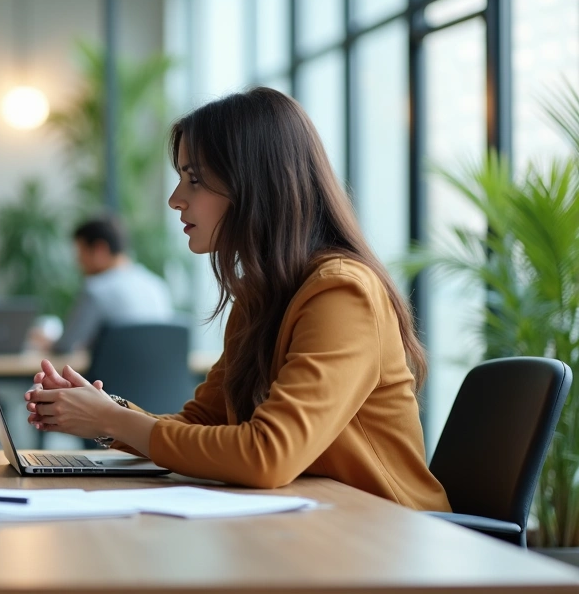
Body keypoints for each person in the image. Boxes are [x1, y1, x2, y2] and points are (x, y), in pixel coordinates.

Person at [25, 87, 450, 511]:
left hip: (391, 531)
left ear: (255, 185)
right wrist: (104, 415)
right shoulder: (261, 297)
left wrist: (112, 419)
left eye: (194, 180)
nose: (175, 199)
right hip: (318, 524)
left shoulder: (342, 293)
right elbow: (201, 424)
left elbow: (268, 455)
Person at [47, 217, 174, 353]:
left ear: (100, 249)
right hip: (157, 367)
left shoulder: (95, 290)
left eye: (80, 253)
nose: (78, 262)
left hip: (111, 368)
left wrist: (46, 341)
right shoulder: (157, 286)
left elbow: (64, 346)